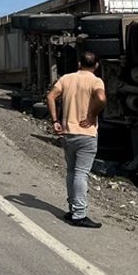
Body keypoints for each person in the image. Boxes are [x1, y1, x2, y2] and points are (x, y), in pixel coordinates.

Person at [47, 51, 107, 228]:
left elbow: (50, 96)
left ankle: (73, 209)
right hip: (86, 134)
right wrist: (92, 115)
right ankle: (79, 214)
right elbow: (102, 98)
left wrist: (55, 121)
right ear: (96, 66)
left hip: (68, 133)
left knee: (71, 172)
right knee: (81, 173)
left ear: (79, 64)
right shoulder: (96, 81)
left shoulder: (66, 78)